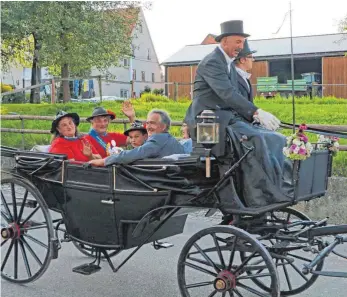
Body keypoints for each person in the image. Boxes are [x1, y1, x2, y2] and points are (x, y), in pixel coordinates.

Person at [184, 20, 293, 209]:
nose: (240, 47)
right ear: (224, 41)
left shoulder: (227, 64)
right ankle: (256, 198)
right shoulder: (212, 62)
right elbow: (227, 93)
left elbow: (233, 97)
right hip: (209, 120)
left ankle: (279, 188)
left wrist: (255, 117)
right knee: (255, 140)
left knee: (275, 139)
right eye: (237, 42)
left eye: (242, 43)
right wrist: (256, 112)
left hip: (226, 117)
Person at [89, 109, 185, 166]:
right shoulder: (170, 139)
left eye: (105, 120)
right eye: (147, 123)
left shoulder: (158, 139)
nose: (102, 123)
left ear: (163, 127)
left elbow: (133, 152)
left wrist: (103, 161)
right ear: (91, 122)